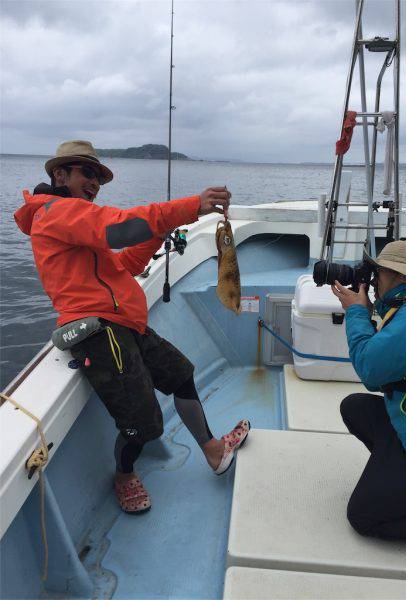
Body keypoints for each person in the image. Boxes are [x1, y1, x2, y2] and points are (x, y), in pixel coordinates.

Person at [14, 140, 250, 514]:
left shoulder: (75, 220)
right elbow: (117, 230)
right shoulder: (55, 213)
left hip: (126, 322)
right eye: (86, 173)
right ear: (60, 174)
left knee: (180, 374)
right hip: (98, 333)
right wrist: (189, 207)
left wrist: (159, 232)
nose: (94, 183)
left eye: (98, 177)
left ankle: (212, 450)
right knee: (143, 424)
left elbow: (124, 268)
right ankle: (124, 476)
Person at [331, 240, 406, 548]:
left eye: (378, 272)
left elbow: (371, 370)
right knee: (355, 407)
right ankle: (399, 473)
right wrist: (372, 309)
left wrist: (357, 313)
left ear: (401, 277)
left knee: (363, 515)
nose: (372, 279)